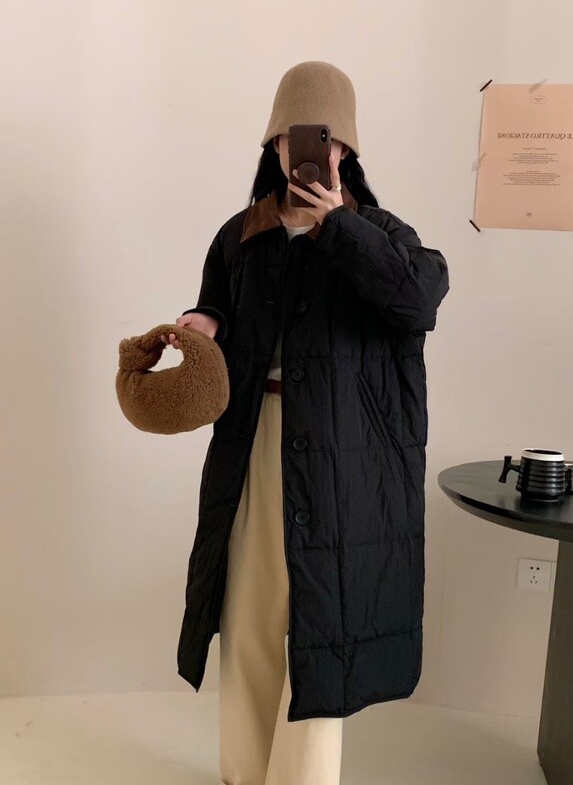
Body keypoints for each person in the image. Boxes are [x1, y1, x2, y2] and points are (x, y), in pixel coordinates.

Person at [162, 61, 450, 785]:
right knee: (249, 616)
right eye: (297, 136)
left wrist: (337, 226)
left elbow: (419, 301)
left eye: (328, 138)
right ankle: (241, 773)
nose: (314, 151)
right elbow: (218, 304)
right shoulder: (242, 234)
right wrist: (206, 320)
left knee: (323, 624)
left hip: (343, 456)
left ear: (346, 148)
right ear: (276, 143)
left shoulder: (377, 231)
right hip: (253, 442)